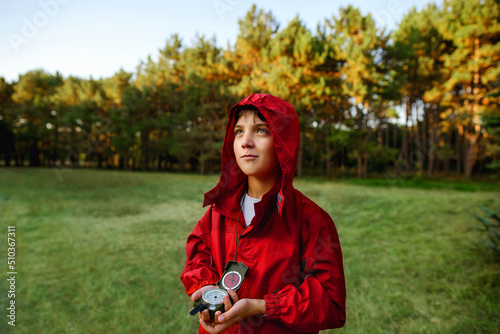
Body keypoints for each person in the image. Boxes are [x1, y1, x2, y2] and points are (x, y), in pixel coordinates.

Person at [181, 93, 346, 334]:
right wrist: (208, 289)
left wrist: (261, 306)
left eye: (261, 130)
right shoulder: (219, 211)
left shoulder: (311, 220)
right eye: (239, 131)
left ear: (283, 141)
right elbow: (198, 256)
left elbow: (329, 302)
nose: (246, 141)